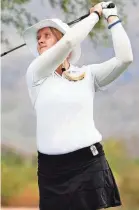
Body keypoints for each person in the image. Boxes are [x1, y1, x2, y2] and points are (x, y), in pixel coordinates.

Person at [23, 1, 133, 210]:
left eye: (47, 35)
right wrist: (94, 16)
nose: (40, 41)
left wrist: (111, 17)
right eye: (38, 38)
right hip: (51, 171)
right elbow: (67, 43)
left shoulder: (88, 75)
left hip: (88, 163)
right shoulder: (36, 74)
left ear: (61, 37)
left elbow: (125, 58)